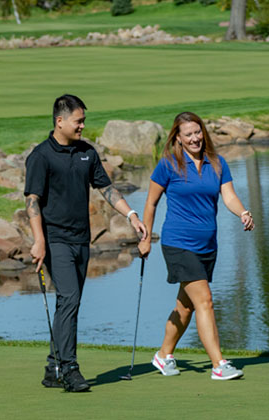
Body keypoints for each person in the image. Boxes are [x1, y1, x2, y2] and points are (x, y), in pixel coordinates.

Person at [25, 94, 146, 392]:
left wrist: (131, 214)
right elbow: (32, 202)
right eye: (78, 121)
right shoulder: (41, 156)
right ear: (60, 121)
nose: (82, 126)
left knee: (69, 304)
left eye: (83, 121)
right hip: (55, 241)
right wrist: (39, 241)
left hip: (81, 240)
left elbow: (106, 188)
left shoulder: (86, 153)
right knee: (69, 300)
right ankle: (70, 370)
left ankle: (53, 367)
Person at [138, 111, 255, 381]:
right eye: (188, 134)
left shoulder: (217, 163)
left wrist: (243, 213)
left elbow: (229, 196)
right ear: (177, 138)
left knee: (186, 307)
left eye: (197, 132)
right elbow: (151, 202)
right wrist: (146, 238)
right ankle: (218, 364)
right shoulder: (168, 165)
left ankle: (163, 354)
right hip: (178, 244)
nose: (195, 138)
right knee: (205, 300)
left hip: (207, 245)